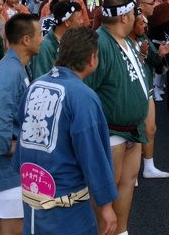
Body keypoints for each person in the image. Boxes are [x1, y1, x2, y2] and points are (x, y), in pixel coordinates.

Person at [15, 27, 117, 235]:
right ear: (92, 58)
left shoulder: (36, 85)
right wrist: (105, 204)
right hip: (66, 204)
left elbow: (21, 131)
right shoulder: (82, 95)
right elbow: (93, 153)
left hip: (33, 191)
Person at [84, 0, 149, 235]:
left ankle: (121, 231)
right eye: (135, 14)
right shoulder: (100, 43)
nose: (137, 18)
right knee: (105, 189)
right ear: (124, 16)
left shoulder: (126, 39)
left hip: (132, 128)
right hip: (110, 129)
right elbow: (87, 90)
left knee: (126, 184)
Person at [0, 14, 42, 235]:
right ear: (26, 39)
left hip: (12, 166)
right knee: (14, 228)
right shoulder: (8, 72)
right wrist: (9, 146)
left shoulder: (18, 66)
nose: (42, 39)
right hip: (7, 169)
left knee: (3, 226)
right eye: (40, 34)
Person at [128, 9, 169, 179]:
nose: (145, 26)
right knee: (131, 132)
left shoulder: (143, 38)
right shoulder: (121, 40)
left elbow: (156, 64)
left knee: (150, 129)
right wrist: (142, 54)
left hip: (146, 89)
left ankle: (149, 166)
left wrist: (160, 54)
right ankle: (131, 170)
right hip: (130, 92)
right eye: (141, 22)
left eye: (146, 23)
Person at [31, 0, 84, 78]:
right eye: (79, 19)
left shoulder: (75, 41)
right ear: (67, 22)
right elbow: (41, 79)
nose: (82, 22)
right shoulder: (45, 47)